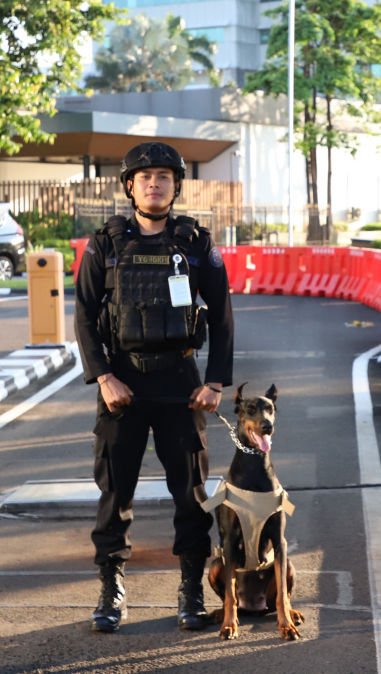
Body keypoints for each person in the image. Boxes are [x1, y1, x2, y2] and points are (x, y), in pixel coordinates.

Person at [74, 141, 234, 634]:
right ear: (130, 186)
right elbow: (82, 316)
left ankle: (189, 590)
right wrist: (103, 377)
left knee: (189, 491)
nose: (154, 183)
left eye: (163, 176)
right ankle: (111, 591)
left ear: (175, 186)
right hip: (121, 383)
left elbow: (223, 316)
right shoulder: (104, 244)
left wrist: (214, 382)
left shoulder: (197, 244)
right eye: (144, 177)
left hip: (180, 384)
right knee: (114, 492)